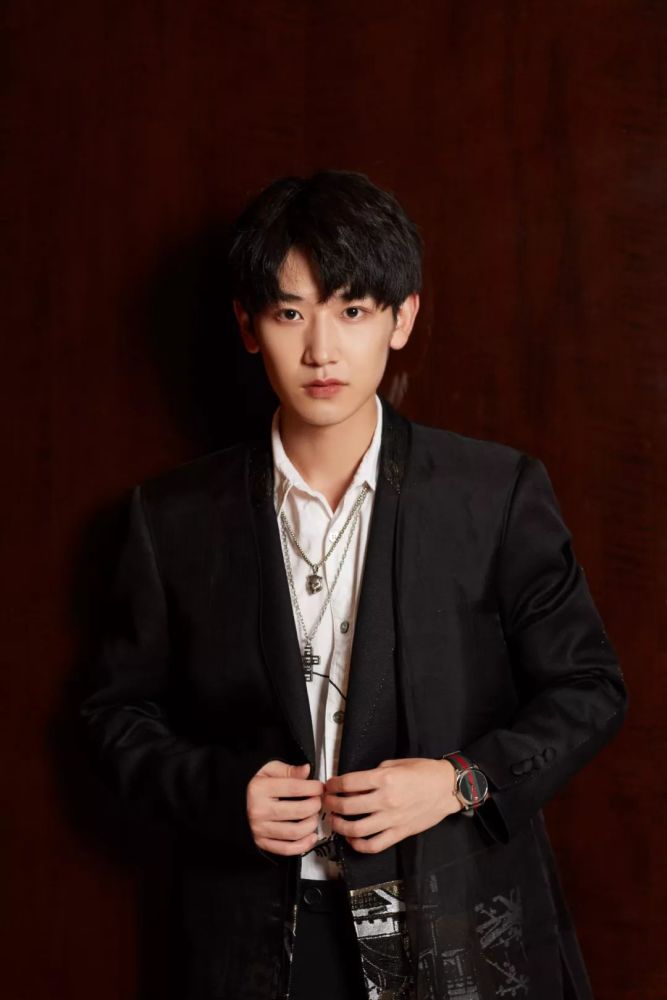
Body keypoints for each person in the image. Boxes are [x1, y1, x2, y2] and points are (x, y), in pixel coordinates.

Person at [81, 170, 628, 1000]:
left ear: (401, 319)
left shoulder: (493, 494)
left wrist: (457, 781)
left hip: (454, 922)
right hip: (256, 938)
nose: (321, 351)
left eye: (353, 311)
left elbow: (589, 688)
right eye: (289, 313)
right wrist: (225, 793)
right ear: (247, 325)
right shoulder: (173, 517)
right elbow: (115, 715)